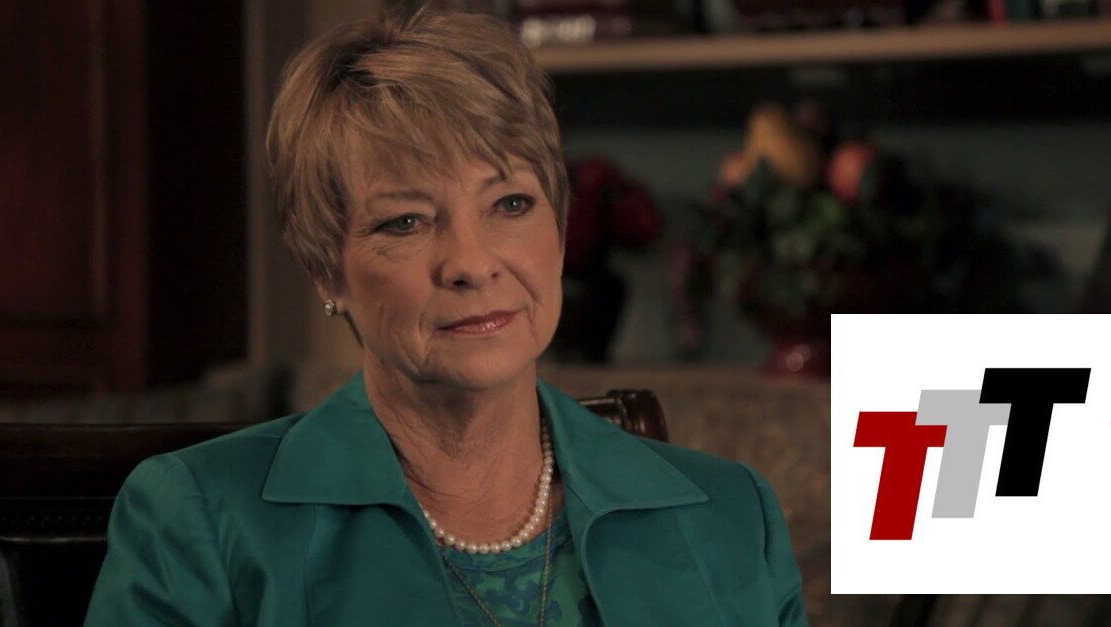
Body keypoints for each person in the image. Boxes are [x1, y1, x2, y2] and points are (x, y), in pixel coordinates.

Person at [85, 7, 807, 626]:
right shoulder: (201, 519)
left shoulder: (732, 513)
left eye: (511, 204)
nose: (471, 262)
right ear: (327, 270)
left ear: (559, 229)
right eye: (405, 221)